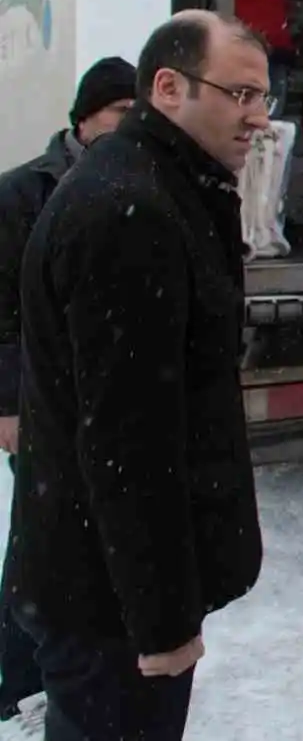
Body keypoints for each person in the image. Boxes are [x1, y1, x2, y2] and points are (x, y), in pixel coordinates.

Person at [9, 12, 268, 741]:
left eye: (263, 98)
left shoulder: (159, 187)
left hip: (100, 590)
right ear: (169, 86)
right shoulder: (132, 212)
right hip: (107, 607)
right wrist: (160, 624)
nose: (258, 118)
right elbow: (129, 445)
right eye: (240, 94)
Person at [0, 57, 137, 721]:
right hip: (38, 399)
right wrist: (5, 402)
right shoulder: (21, 191)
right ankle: (17, 676)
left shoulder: (142, 184)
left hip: (103, 397)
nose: (129, 128)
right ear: (86, 117)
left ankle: (81, 668)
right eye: (118, 114)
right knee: (38, 537)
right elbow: (2, 309)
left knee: (94, 540)